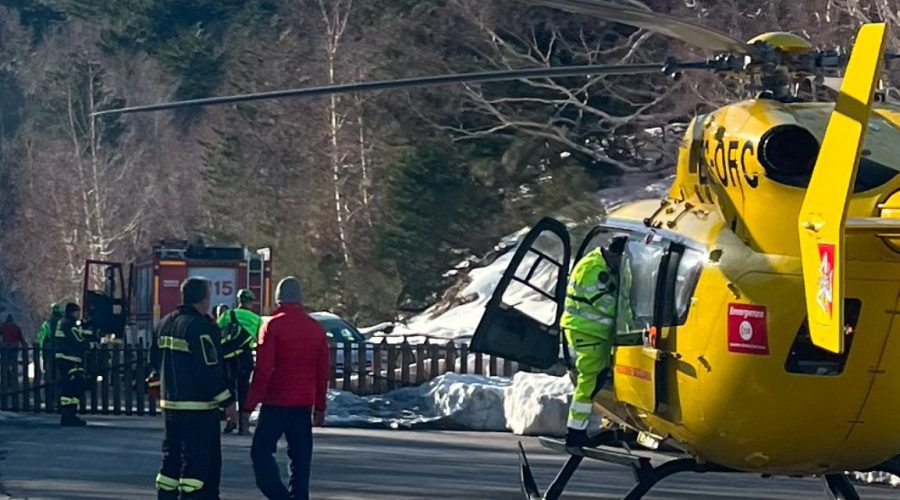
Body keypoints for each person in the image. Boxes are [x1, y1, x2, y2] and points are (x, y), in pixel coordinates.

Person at [245, 277, 328, 500]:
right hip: (303, 404)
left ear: (278, 299)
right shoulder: (316, 329)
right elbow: (322, 373)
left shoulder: (272, 326)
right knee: (300, 461)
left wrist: (249, 405)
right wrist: (320, 407)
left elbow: (263, 370)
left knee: (261, 452)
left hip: (275, 402)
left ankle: (278, 495)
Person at [150, 278, 232, 500]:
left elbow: (154, 365)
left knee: (171, 459)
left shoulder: (164, 324)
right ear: (205, 299)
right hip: (199, 409)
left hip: (170, 408)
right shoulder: (201, 327)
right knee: (198, 464)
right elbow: (209, 368)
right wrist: (227, 401)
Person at [561, 236, 627, 449]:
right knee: (590, 380)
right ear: (615, 256)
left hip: (589, 332)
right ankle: (576, 432)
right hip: (589, 333)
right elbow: (606, 305)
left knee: (594, 378)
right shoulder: (594, 270)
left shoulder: (596, 263)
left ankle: (578, 429)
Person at [218, 289, 261, 435]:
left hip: (227, 357)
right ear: (251, 302)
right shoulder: (257, 319)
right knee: (244, 390)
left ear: (239, 301)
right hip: (245, 357)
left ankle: (231, 419)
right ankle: (244, 425)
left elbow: (216, 331)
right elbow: (260, 339)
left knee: (229, 388)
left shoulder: (227, 315)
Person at [54, 303, 88, 427]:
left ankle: (68, 415)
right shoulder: (69, 325)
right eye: (77, 312)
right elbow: (78, 341)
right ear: (71, 313)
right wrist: (91, 344)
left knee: (69, 387)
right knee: (73, 386)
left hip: (65, 359)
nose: (78, 315)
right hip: (69, 360)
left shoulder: (63, 323)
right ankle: (69, 415)